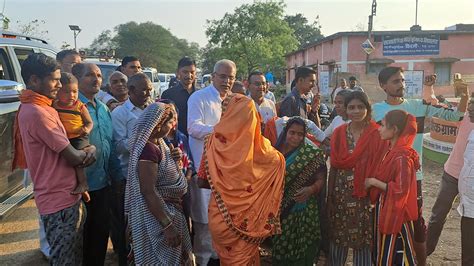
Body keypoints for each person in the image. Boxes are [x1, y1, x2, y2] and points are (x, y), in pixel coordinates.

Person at [372, 66, 468, 265]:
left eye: (402, 80)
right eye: (395, 81)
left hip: (413, 177)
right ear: (383, 86)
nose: (401, 85)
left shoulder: (418, 106)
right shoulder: (377, 110)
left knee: (416, 223)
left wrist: (464, 97)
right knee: (387, 221)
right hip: (386, 176)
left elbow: (454, 116)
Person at [14, 53, 96, 265]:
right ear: (34, 80)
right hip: (59, 201)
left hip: (65, 196)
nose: (60, 85)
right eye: (54, 79)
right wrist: (90, 151)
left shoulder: (41, 107)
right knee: (65, 260)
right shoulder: (37, 112)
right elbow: (73, 156)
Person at [197, 94, 285, 265]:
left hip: (221, 219)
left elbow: (201, 181)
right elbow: (278, 164)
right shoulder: (265, 152)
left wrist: (224, 185)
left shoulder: (212, 142)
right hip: (250, 222)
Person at [125, 102, 192, 265]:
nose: (172, 126)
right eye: (169, 122)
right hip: (158, 218)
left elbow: (165, 172)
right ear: (158, 125)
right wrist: (167, 226)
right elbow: (148, 191)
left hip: (168, 211)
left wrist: (174, 158)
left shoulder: (160, 145)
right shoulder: (149, 150)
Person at [328, 91, 389, 265]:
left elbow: (381, 167)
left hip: (366, 196)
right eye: (351, 107)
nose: (356, 111)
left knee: (364, 240)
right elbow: (335, 166)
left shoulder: (378, 134)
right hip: (341, 195)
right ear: (345, 110)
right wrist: (330, 196)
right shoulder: (339, 133)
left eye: (360, 107)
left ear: (367, 109)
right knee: (338, 238)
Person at [187, 59, 237, 265]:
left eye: (231, 77)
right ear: (213, 76)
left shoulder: (235, 101)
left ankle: (217, 258)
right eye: (223, 76)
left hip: (227, 172)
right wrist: (220, 132)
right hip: (204, 170)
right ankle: (203, 259)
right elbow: (193, 127)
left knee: (223, 219)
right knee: (203, 221)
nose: (226, 81)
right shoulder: (199, 97)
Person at [72, 62, 123, 265]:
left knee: (100, 235)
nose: (96, 80)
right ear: (76, 79)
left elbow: (109, 146)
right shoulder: (72, 109)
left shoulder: (103, 109)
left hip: (103, 184)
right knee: (81, 240)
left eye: (99, 76)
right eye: (89, 75)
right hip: (80, 187)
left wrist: (117, 176)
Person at [365, 110, 419, 265]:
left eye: (382, 125)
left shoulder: (402, 156)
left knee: (395, 254)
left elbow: (400, 189)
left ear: (394, 129)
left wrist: (374, 182)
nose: (379, 128)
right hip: (388, 210)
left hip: (397, 215)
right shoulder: (392, 151)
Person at [271, 117, 326, 265]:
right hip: (280, 208)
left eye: (300, 134)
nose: (296, 137)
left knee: (305, 245)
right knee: (281, 245)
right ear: (285, 132)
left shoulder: (311, 154)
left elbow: (321, 179)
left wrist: (310, 189)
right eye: (292, 133)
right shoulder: (274, 153)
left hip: (305, 208)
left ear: (305, 135)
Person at [110, 72, 152, 265]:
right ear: (132, 90)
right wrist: (145, 140)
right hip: (130, 175)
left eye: (150, 89)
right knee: (129, 225)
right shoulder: (120, 114)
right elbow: (118, 145)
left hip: (152, 175)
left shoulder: (153, 108)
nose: (148, 93)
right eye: (144, 90)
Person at [426, 113, 474, 255]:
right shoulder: (466, 116)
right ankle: (423, 253)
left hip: (471, 181)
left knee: (469, 225)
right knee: (438, 216)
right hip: (453, 174)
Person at [53, 72, 93, 196]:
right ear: (58, 92)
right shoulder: (54, 105)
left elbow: (89, 122)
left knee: (77, 162)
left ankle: (83, 184)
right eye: (66, 92)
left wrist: (86, 129)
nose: (72, 95)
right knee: (64, 162)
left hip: (78, 137)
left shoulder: (79, 106)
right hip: (64, 138)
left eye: (75, 92)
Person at [457, 96, 474, 266]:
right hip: (468, 207)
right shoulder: (472, 131)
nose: (470, 108)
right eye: (470, 104)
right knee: (468, 253)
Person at [161, 57, 197, 136]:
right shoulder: (168, 94)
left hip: (198, 139)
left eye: (192, 72)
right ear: (178, 72)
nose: (189, 75)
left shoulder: (201, 94)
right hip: (176, 140)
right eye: (185, 72)